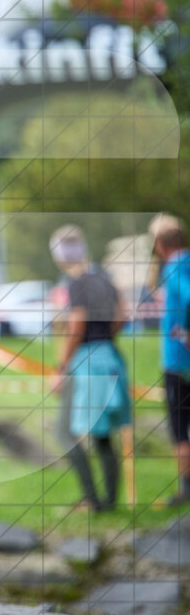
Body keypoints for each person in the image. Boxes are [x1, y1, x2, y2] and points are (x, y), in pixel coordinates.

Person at [49, 225, 130, 512]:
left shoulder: (77, 282)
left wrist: (61, 367)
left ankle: (93, 500)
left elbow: (76, 325)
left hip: (87, 361)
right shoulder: (105, 279)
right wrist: (106, 337)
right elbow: (123, 314)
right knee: (103, 434)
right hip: (110, 356)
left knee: (63, 432)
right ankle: (107, 503)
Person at [149, 214, 190, 505]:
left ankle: (186, 490)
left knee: (179, 429)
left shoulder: (175, 267)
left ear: (160, 244)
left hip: (178, 361)